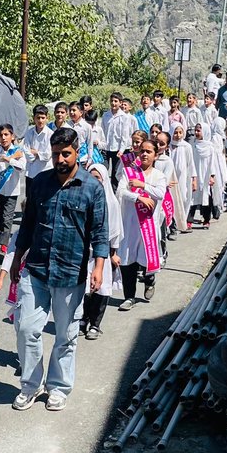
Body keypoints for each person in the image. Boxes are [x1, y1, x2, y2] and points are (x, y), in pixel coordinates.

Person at [10, 127, 108, 412]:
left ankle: (59, 387)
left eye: (66, 153)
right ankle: (30, 385)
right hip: (37, 268)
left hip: (70, 272)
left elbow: (100, 233)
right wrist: (17, 259)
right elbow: (27, 225)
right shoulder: (40, 182)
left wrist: (98, 269)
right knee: (27, 329)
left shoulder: (92, 188)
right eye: (55, 154)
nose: (60, 159)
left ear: (77, 152)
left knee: (66, 335)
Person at [115, 139, 166, 311]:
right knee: (127, 261)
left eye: (148, 151)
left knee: (146, 260)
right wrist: (138, 197)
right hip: (130, 224)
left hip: (148, 226)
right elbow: (120, 191)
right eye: (142, 151)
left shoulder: (159, 176)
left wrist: (143, 185)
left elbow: (160, 193)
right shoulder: (128, 172)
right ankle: (129, 297)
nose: (144, 154)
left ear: (155, 155)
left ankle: (150, 281)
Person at [78, 162, 122, 340]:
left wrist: (112, 252)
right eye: (91, 177)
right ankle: (82, 319)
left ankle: (95, 324)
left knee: (101, 288)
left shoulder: (111, 202)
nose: (93, 181)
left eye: (97, 178)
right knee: (84, 288)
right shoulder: (83, 197)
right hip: (83, 250)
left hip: (101, 253)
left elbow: (115, 230)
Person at [0, 124, 25, 264]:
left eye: (6, 135)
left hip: (12, 190)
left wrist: (8, 159)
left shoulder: (18, 151)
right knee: (0, 217)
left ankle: (3, 246)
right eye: (1, 135)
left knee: (8, 218)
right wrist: (11, 160)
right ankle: (4, 239)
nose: (3, 138)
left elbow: (21, 167)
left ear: (12, 136)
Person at [187, 123, 225, 228]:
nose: (196, 133)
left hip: (206, 174)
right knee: (193, 198)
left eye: (199, 131)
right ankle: (189, 220)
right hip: (195, 174)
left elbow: (213, 163)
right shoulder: (193, 146)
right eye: (195, 130)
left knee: (206, 197)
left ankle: (206, 219)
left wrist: (212, 176)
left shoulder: (210, 147)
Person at [169, 124, 196, 233]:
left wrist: (194, 179)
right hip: (171, 177)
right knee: (171, 199)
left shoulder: (186, 146)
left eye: (180, 132)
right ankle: (172, 226)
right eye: (175, 133)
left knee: (183, 199)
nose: (178, 135)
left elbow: (190, 164)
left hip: (183, 179)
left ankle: (181, 223)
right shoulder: (168, 146)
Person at [23, 104, 53, 181]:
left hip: (45, 172)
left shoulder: (50, 134)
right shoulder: (29, 133)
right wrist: (39, 155)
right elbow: (27, 153)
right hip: (31, 173)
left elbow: (47, 155)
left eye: (43, 118)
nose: (40, 121)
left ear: (47, 118)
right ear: (34, 118)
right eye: (38, 118)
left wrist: (35, 153)